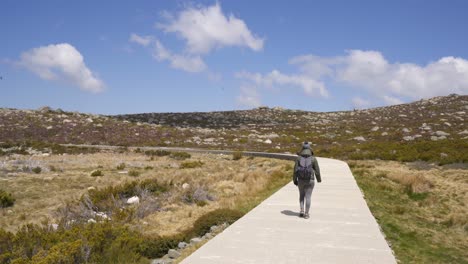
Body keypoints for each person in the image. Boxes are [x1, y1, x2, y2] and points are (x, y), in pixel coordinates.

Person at [293, 141, 321, 219]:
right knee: (308, 197)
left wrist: (295, 180)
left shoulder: (298, 158)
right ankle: (306, 214)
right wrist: (319, 179)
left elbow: (295, 170)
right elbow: (317, 170)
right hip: (310, 180)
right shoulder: (313, 159)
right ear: (310, 149)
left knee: (301, 195)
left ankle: (301, 211)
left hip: (301, 180)